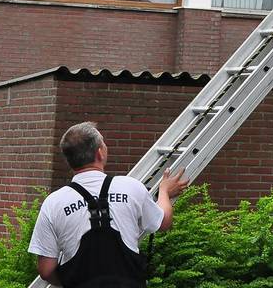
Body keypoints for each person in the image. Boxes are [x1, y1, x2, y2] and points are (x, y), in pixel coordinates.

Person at [29, 121, 189, 288]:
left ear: (69, 160)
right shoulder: (131, 187)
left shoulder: (53, 203)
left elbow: (46, 270)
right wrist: (164, 191)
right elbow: (163, 222)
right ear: (99, 153)